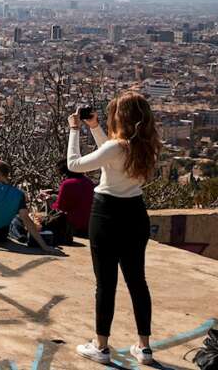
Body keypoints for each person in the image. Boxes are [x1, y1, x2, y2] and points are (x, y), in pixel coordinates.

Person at [68, 92, 160, 365]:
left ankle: (101, 346)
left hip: (107, 213)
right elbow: (110, 157)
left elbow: (75, 165)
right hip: (135, 213)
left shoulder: (115, 147)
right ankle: (144, 348)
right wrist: (95, 128)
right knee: (137, 281)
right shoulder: (148, 146)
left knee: (105, 283)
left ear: (121, 117)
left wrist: (75, 131)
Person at [49, 158, 95, 237]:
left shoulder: (67, 184)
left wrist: (48, 199)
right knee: (53, 197)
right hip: (88, 225)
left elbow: (60, 208)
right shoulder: (89, 182)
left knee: (51, 199)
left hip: (73, 226)